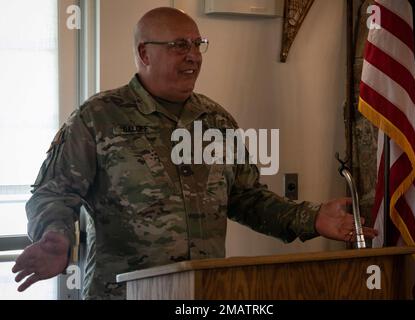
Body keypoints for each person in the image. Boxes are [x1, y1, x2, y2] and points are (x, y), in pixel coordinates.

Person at [12, 7, 378, 300]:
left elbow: (247, 199)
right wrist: (55, 236)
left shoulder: (216, 120)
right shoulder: (98, 118)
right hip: (124, 293)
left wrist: (311, 218)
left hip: (203, 296)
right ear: (144, 53)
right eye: (178, 46)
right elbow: (52, 194)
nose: (192, 56)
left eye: (197, 44)